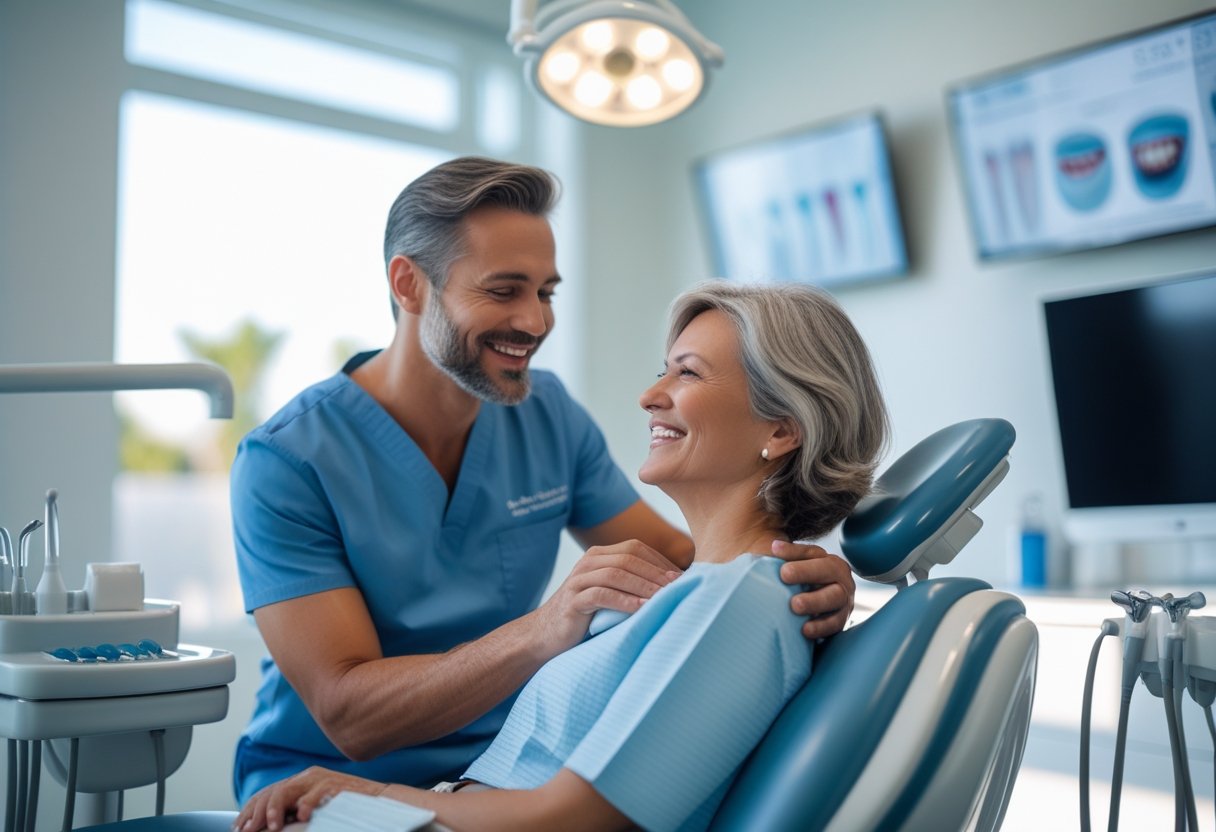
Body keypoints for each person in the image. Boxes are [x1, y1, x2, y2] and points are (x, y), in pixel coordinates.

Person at [230, 157, 860, 805]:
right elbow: (350, 717)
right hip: (325, 781)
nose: (535, 322)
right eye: (504, 291)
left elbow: (692, 566)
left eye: (546, 292)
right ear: (409, 285)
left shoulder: (546, 413)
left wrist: (811, 583)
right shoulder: (287, 461)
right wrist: (547, 625)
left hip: (498, 776)